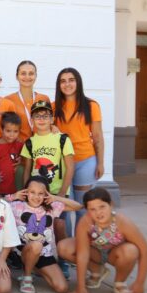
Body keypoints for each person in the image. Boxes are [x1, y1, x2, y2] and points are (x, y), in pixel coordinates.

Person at [59, 188, 147, 293]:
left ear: (111, 204)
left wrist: (140, 282)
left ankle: (120, 282)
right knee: (64, 247)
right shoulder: (85, 222)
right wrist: (80, 288)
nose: (98, 213)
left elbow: (145, 250)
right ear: (87, 210)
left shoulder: (123, 222)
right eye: (92, 209)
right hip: (95, 253)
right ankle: (97, 270)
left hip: (116, 254)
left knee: (131, 250)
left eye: (102, 207)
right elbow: (82, 254)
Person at [5, 176, 81, 293]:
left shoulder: (51, 208)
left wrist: (55, 197)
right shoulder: (17, 206)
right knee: (36, 245)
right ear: (26, 192)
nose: (36, 197)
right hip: (24, 252)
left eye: (41, 193)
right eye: (32, 192)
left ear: (46, 194)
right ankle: (26, 278)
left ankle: (35, 268)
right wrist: (12, 197)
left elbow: (78, 206)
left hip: (45, 254)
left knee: (62, 288)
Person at [53, 67, 104, 217]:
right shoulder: (54, 107)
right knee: (63, 209)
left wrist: (100, 163)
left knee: (83, 206)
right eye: (63, 81)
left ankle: (82, 234)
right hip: (62, 163)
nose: (67, 84)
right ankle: (68, 234)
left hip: (85, 161)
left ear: (78, 82)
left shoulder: (91, 105)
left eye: (71, 80)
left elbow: (98, 137)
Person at [21, 100, 75, 197]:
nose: (41, 119)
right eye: (37, 116)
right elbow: (27, 170)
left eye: (45, 116)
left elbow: (70, 168)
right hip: (36, 193)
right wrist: (26, 191)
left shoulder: (63, 139)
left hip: (57, 192)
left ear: (52, 120)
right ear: (32, 120)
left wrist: (62, 193)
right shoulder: (29, 142)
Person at [5, 60, 51, 141]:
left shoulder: (44, 99)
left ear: (36, 76)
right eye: (23, 73)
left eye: (31, 73)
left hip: (42, 145)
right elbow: (5, 127)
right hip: (18, 146)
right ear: (17, 76)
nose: (27, 77)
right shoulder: (8, 100)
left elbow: (50, 123)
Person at [0, 112, 24, 195]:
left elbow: (28, 159)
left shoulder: (19, 145)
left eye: (15, 131)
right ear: (1, 129)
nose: (12, 135)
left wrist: (22, 160)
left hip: (15, 192)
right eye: (8, 131)